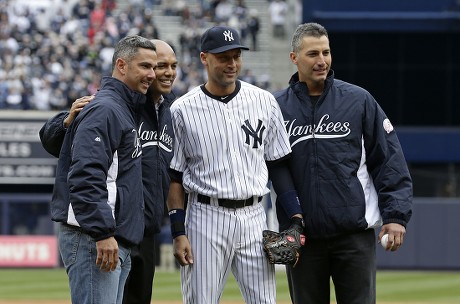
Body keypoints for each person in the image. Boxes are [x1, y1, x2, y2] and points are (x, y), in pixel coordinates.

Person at [273, 22, 413, 304]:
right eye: (313, 54)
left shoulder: (358, 100)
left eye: (326, 52)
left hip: (353, 235)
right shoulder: (276, 107)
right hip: (302, 238)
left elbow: (389, 161)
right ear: (294, 58)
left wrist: (396, 216)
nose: (322, 60)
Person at [166, 25, 304, 304]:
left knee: (265, 301)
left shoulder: (264, 101)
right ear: (204, 58)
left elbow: (277, 164)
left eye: (236, 56)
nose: (232, 64)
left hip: (254, 216)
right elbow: (175, 177)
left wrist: (296, 216)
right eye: (223, 57)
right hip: (205, 215)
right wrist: (178, 232)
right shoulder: (181, 109)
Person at [39, 39, 178, 304]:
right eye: (155, 65)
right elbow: (83, 169)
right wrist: (65, 122)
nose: (162, 72)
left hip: (137, 231)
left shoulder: (166, 112)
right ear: (122, 66)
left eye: (172, 65)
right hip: (103, 231)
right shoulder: (110, 105)